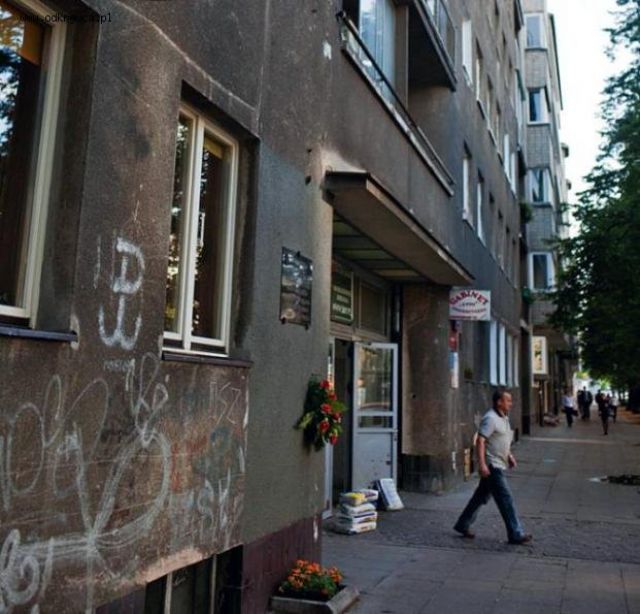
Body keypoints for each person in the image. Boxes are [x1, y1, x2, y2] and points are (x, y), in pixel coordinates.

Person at [453, 390, 532, 545]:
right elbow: (481, 441)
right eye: (508, 400)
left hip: (499, 463)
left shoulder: (504, 418)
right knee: (506, 499)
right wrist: (482, 464)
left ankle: (463, 524)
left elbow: (502, 440)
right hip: (492, 466)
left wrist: (509, 455)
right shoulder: (490, 418)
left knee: (480, 497)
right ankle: (515, 533)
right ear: (499, 402)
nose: (511, 403)